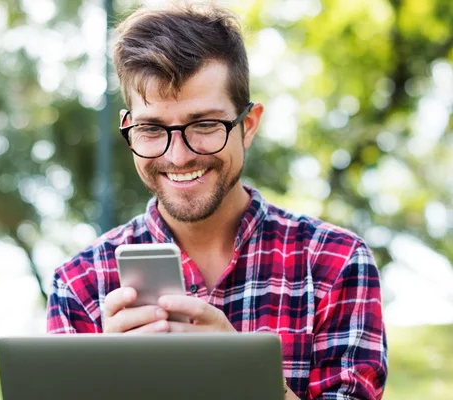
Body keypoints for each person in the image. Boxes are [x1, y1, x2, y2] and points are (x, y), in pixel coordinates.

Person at [47, 3, 387, 399]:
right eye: (152, 129)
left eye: (205, 124)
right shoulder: (80, 284)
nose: (178, 157)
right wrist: (108, 380)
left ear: (248, 125)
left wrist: (242, 375)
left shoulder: (335, 263)